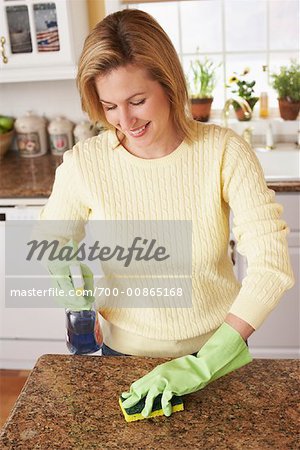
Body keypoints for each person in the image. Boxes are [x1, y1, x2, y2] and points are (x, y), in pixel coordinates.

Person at [40, 9, 294, 417]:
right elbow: (52, 242)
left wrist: (202, 364)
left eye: (137, 101)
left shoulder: (223, 151)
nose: (126, 121)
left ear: (170, 85)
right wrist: (78, 303)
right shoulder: (86, 162)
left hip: (217, 355)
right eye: (110, 106)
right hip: (124, 355)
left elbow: (271, 267)